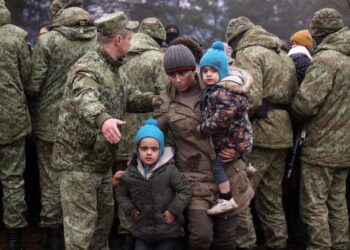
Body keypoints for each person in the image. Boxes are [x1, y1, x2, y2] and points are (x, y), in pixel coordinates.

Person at [52, 11, 155, 249]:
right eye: (130, 37)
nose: (132, 41)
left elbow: (130, 98)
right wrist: (104, 120)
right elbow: (85, 99)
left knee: (101, 232)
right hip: (78, 165)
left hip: (100, 163)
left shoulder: (115, 68)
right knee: (81, 236)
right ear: (119, 39)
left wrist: (158, 100)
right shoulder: (87, 68)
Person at [152, 44, 254, 250]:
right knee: (201, 236)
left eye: (183, 73)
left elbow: (242, 122)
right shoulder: (165, 102)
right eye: (171, 75)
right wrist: (134, 166)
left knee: (226, 239)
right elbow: (154, 138)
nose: (178, 79)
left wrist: (238, 149)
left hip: (228, 173)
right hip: (194, 179)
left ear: (194, 69)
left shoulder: (218, 86)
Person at [27, 2, 96, 248]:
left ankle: (53, 235)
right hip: (85, 122)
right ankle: (79, 235)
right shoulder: (96, 40)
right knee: (81, 179)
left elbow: (34, 85)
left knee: (50, 180)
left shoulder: (48, 41)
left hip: (50, 123)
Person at [226, 17, 297, 250]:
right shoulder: (283, 56)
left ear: (237, 38)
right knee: (272, 198)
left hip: (258, 134)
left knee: (241, 195)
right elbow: (293, 95)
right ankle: (279, 243)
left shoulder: (248, 54)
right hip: (282, 133)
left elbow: (250, 98)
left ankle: (246, 244)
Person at [291, 8, 350, 250]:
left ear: (320, 33)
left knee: (314, 204)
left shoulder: (326, 60)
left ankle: (320, 246)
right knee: (338, 202)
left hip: (321, 147)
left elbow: (306, 104)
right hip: (345, 147)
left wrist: (291, 107)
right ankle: (342, 244)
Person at [116, 16, 168, 249]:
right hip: (148, 139)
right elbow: (165, 101)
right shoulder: (159, 59)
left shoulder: (118, 55)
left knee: (117, 187)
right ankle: (134, 237)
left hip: (116, 133)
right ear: (159, 38)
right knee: (140, 191)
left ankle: (119, 237)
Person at [116, 119, 192, 250]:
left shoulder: (169, 170)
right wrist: (131, 210)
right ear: (137, 149)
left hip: (168, 232)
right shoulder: (131, 172)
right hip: (142, 233)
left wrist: (173, 210)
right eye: (144, 148)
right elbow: (121, 193)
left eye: (154, 149)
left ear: (161, 150)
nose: (149, 152)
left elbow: (185, 189)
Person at [196, 41, 253, 215]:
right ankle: (247, 164)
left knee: (217, 166)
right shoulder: (224, 90)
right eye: (204, 71)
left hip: (233, 139)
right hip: (238, 138)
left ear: (222, 71)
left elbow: (221, 119)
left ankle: (226, 198)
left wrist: (203, 128)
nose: (208, 75)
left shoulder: (222, 93)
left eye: (213, 71)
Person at [0, 1, 31, 249]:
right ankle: (14, 236)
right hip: (11, 118)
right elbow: (27, 77)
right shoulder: (17, 36)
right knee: (12, 179)